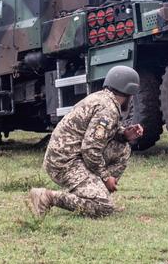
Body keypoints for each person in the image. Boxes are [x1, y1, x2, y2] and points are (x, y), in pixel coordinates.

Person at [28, 65, 144, 218]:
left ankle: (96, 193)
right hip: (64, 162)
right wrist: (105, 177)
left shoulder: (103, 99)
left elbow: (96, 134)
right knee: (103, 208)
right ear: (129, 92)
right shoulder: (108, 109)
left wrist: (124, 134)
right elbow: (90, 148)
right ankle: (48, 197)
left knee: (122, 148)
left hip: (71, 156)